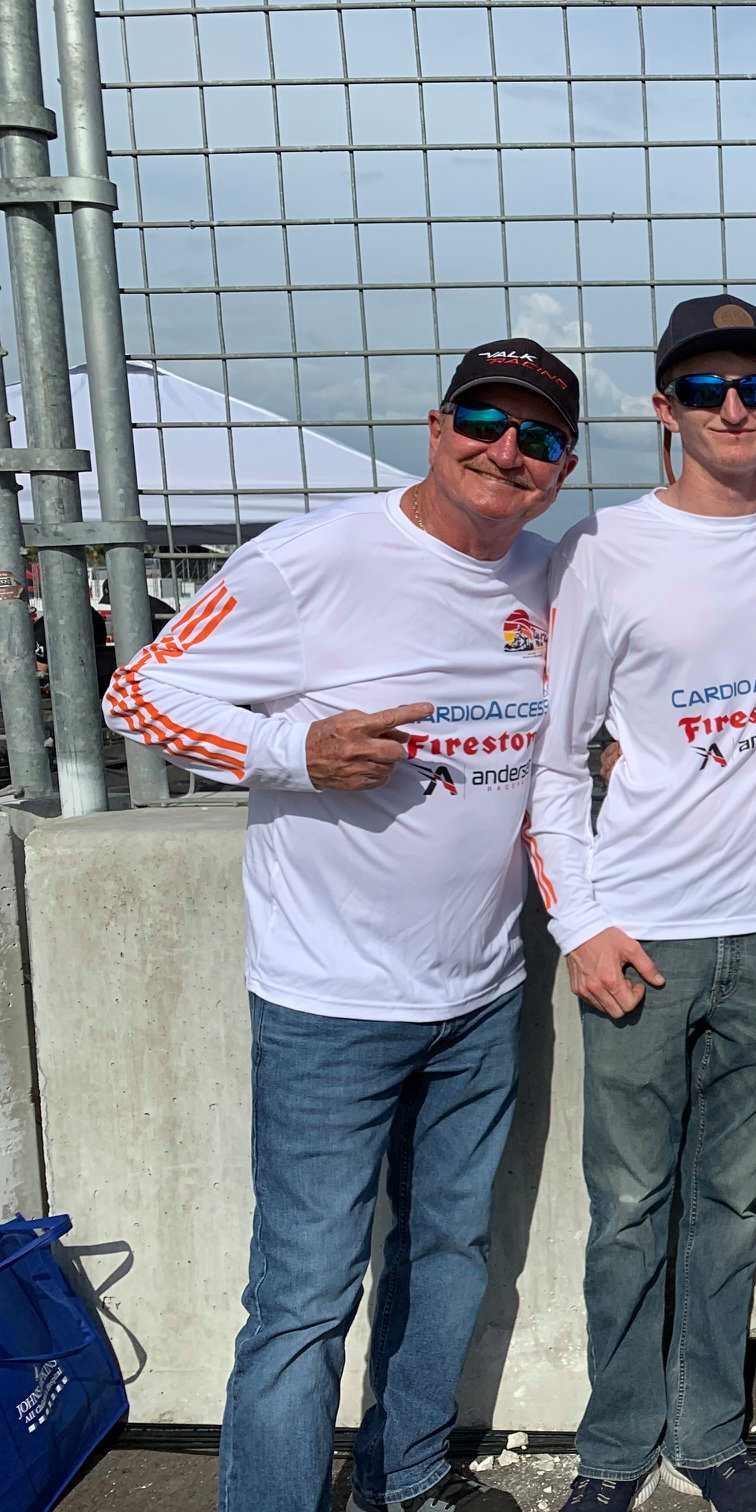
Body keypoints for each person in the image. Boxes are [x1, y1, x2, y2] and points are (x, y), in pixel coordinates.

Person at [103, 337, 582, 1512]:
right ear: (437, 427)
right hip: (329, 1004)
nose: (506, 451)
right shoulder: (311, 560)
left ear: (563, 468)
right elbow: (137, 693)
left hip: (481, 994)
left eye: (537, 437)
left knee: (447, 1259)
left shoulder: (550, 576)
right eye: (484, 420)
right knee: (306, 1299)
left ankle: (403, 1480)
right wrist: (292, 750)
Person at [526, 294, 756, 1512]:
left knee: (729, 1206)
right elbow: (555, 764)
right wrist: (580, 925)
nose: (736, 408)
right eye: (710, 389)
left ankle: (709, 1437)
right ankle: (616, 1450)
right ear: (664, 408)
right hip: (643, 934)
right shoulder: (601, 551)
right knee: (627, 1208)